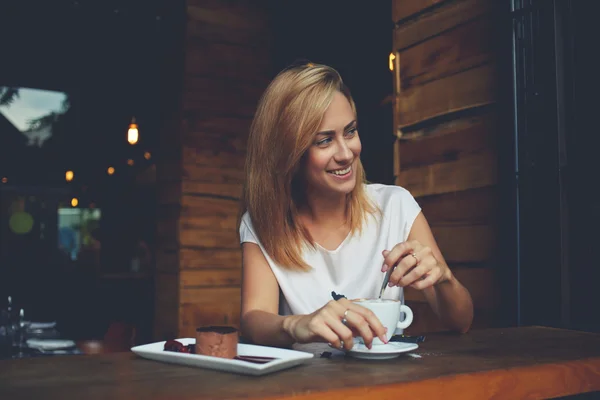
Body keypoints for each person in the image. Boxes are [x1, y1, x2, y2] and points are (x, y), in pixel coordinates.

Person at [238, 62, 473, 351]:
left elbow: (461, 321)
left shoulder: (395, 205)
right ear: (289, 154)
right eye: (325, 141)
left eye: (350, 132)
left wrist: (444, 278)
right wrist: (298, 324)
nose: (346, 153)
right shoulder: (263, 222)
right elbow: (253, 320)